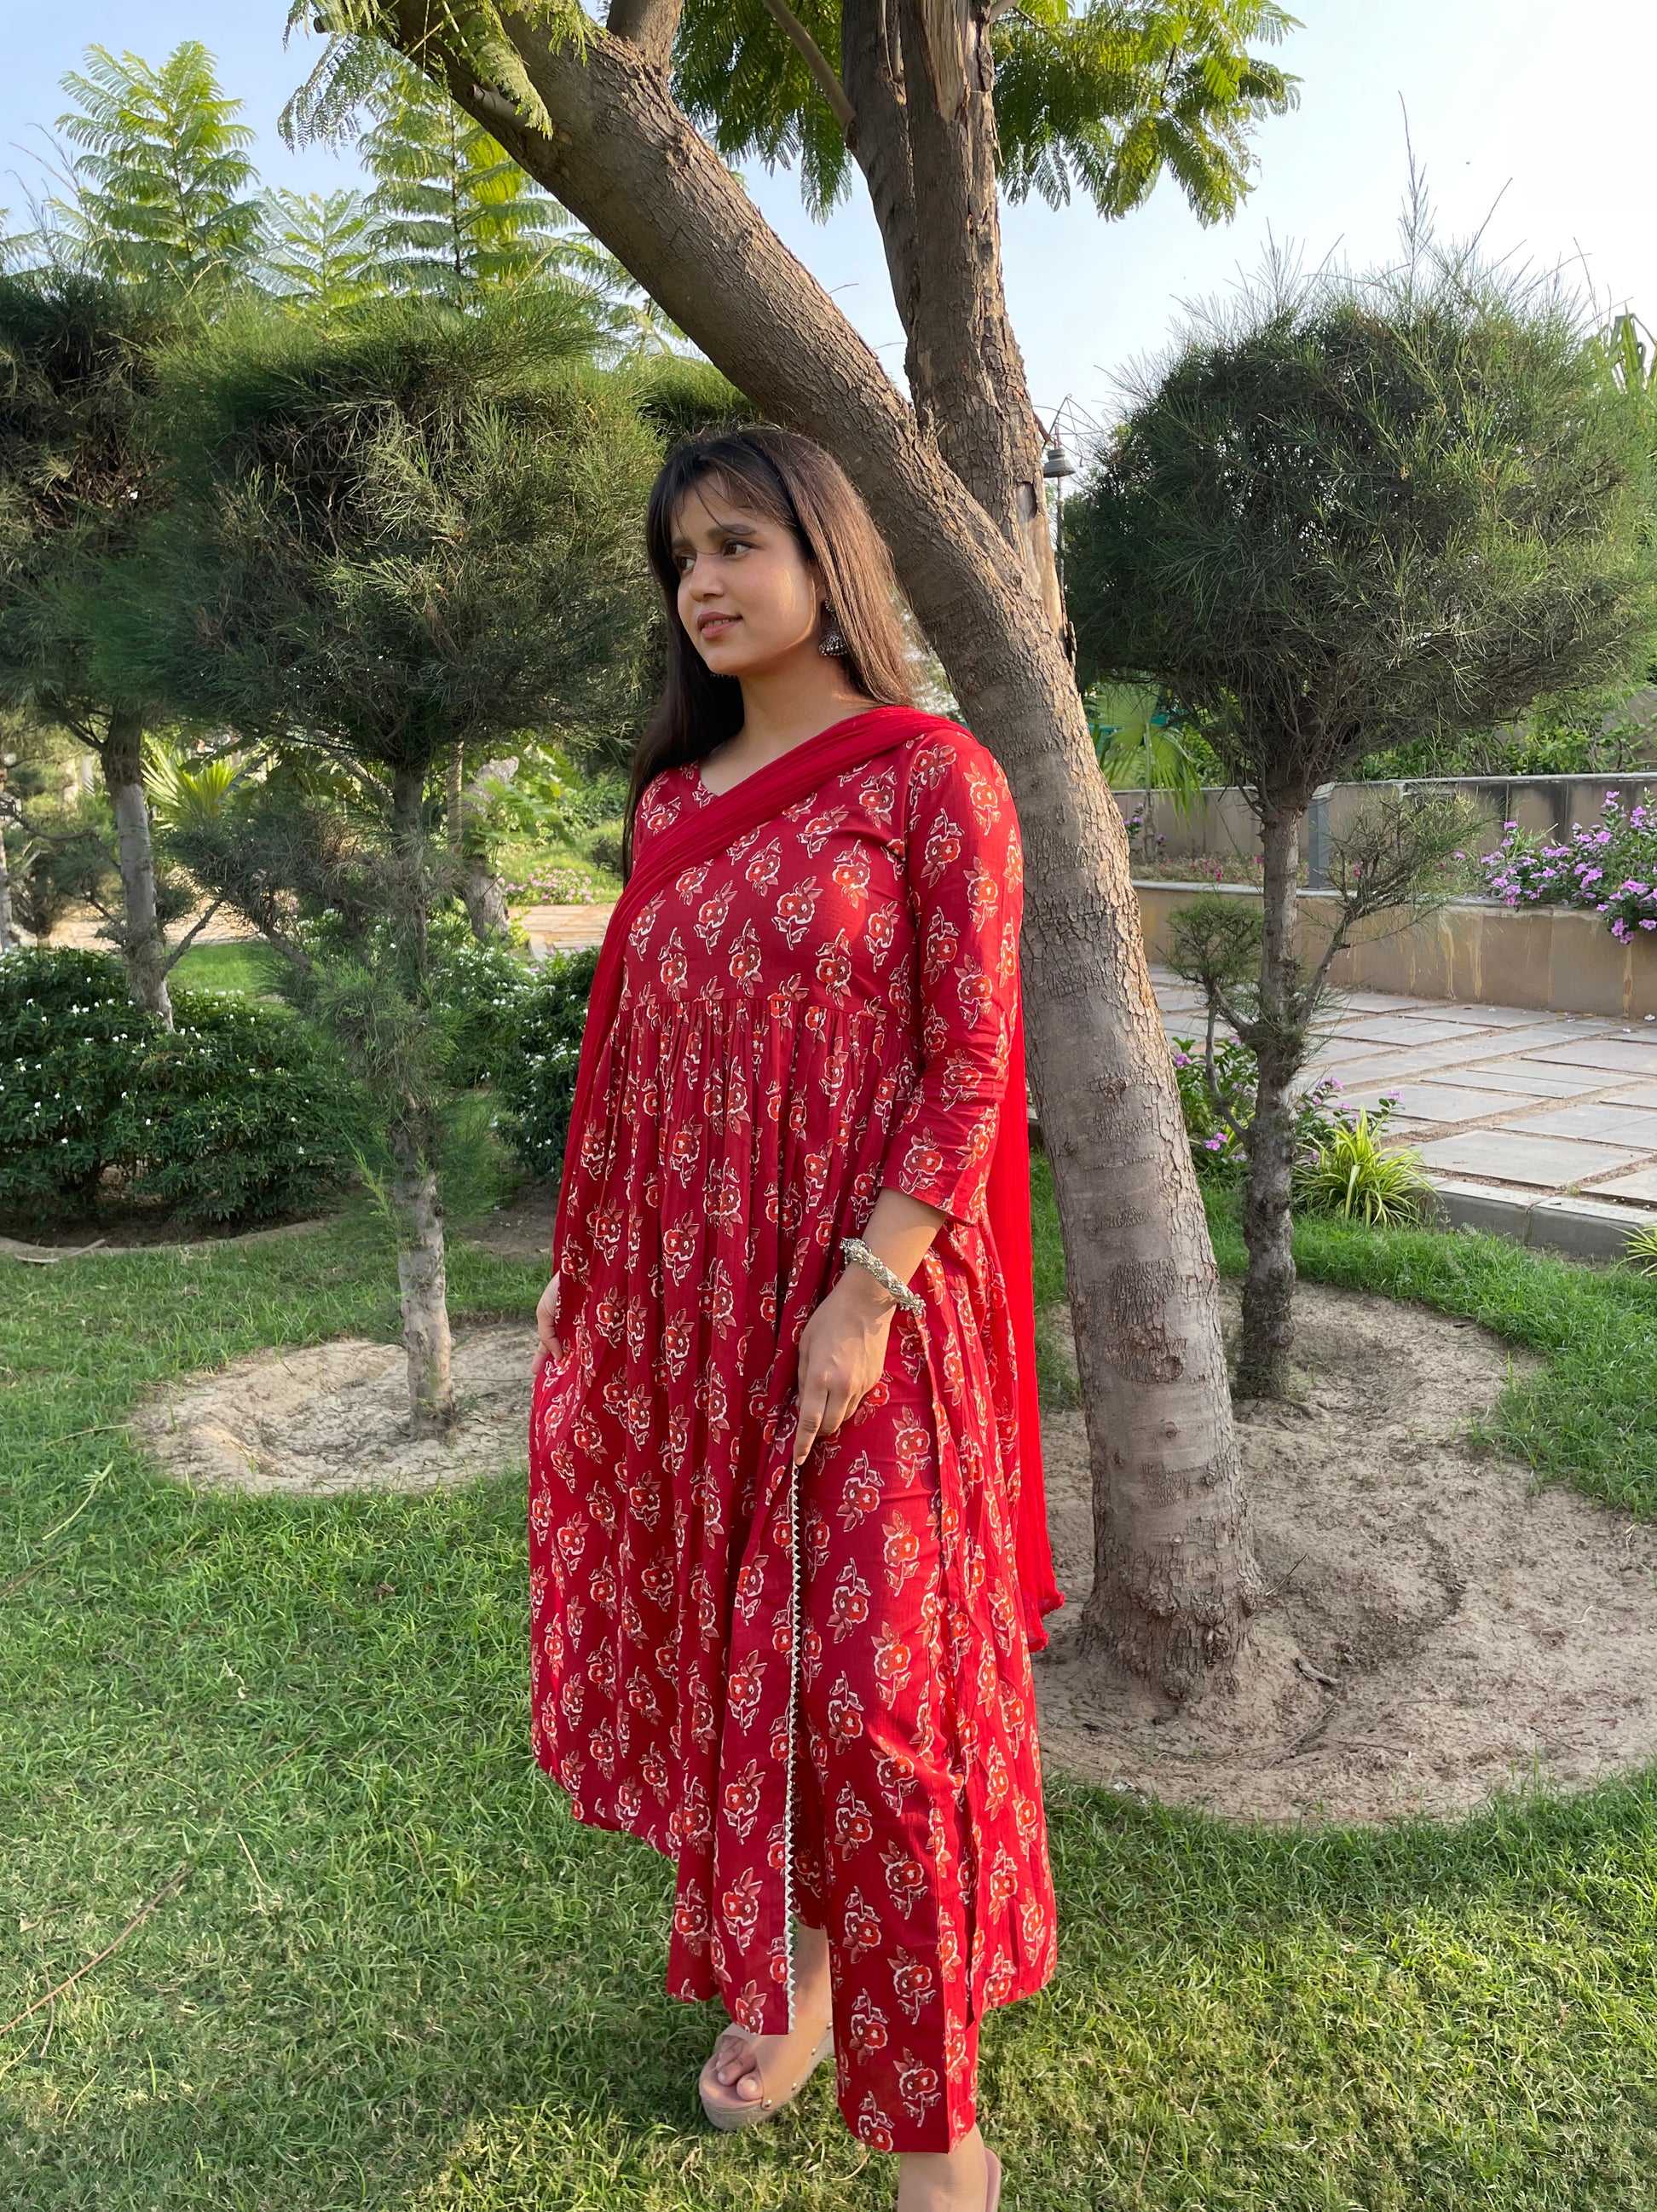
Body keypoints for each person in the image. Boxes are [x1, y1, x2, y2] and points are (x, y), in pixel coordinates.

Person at [528, 424, 1061, 2212]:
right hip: (695, 1308)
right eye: (681, 554)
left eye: (737, 541)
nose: (703, 581)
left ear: (828, 562)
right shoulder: (672, 803)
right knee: (750, 1672)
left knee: (879, 1711)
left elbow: (969, 1062)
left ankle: (941, 2141)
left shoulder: (931, 779)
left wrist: (863, 1292)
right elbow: (636, 1058)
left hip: (873, 1310)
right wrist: (592, 1256)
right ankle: (807, 1976)